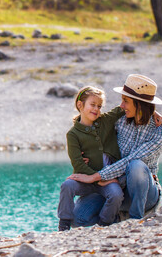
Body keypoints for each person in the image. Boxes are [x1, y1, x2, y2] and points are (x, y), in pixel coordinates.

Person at [66, 74, 162, 227]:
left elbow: (129, 161)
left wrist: (96, 177)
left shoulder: (159, 133)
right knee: (78, 218)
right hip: (115, 187)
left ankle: (135, 220)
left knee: (135, 166)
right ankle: (115, 221)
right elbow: (90, 127)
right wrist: (85, 152)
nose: (121, 105)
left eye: (126, 101)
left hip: (145, 194)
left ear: (140, 104)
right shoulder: (119, 122)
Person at [56, 86, 125, 231]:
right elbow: (78, 164)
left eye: (99, 106)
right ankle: (63, 226)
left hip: (107, 180)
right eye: (92, 105)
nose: (96, 109)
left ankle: (103, 225)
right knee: (67, 186)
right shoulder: (73, 134)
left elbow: (124, 107)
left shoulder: (105, 121)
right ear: (80, 105)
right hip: (87, 180)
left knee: (116, 195)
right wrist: (99, 178)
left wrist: (154, 112)